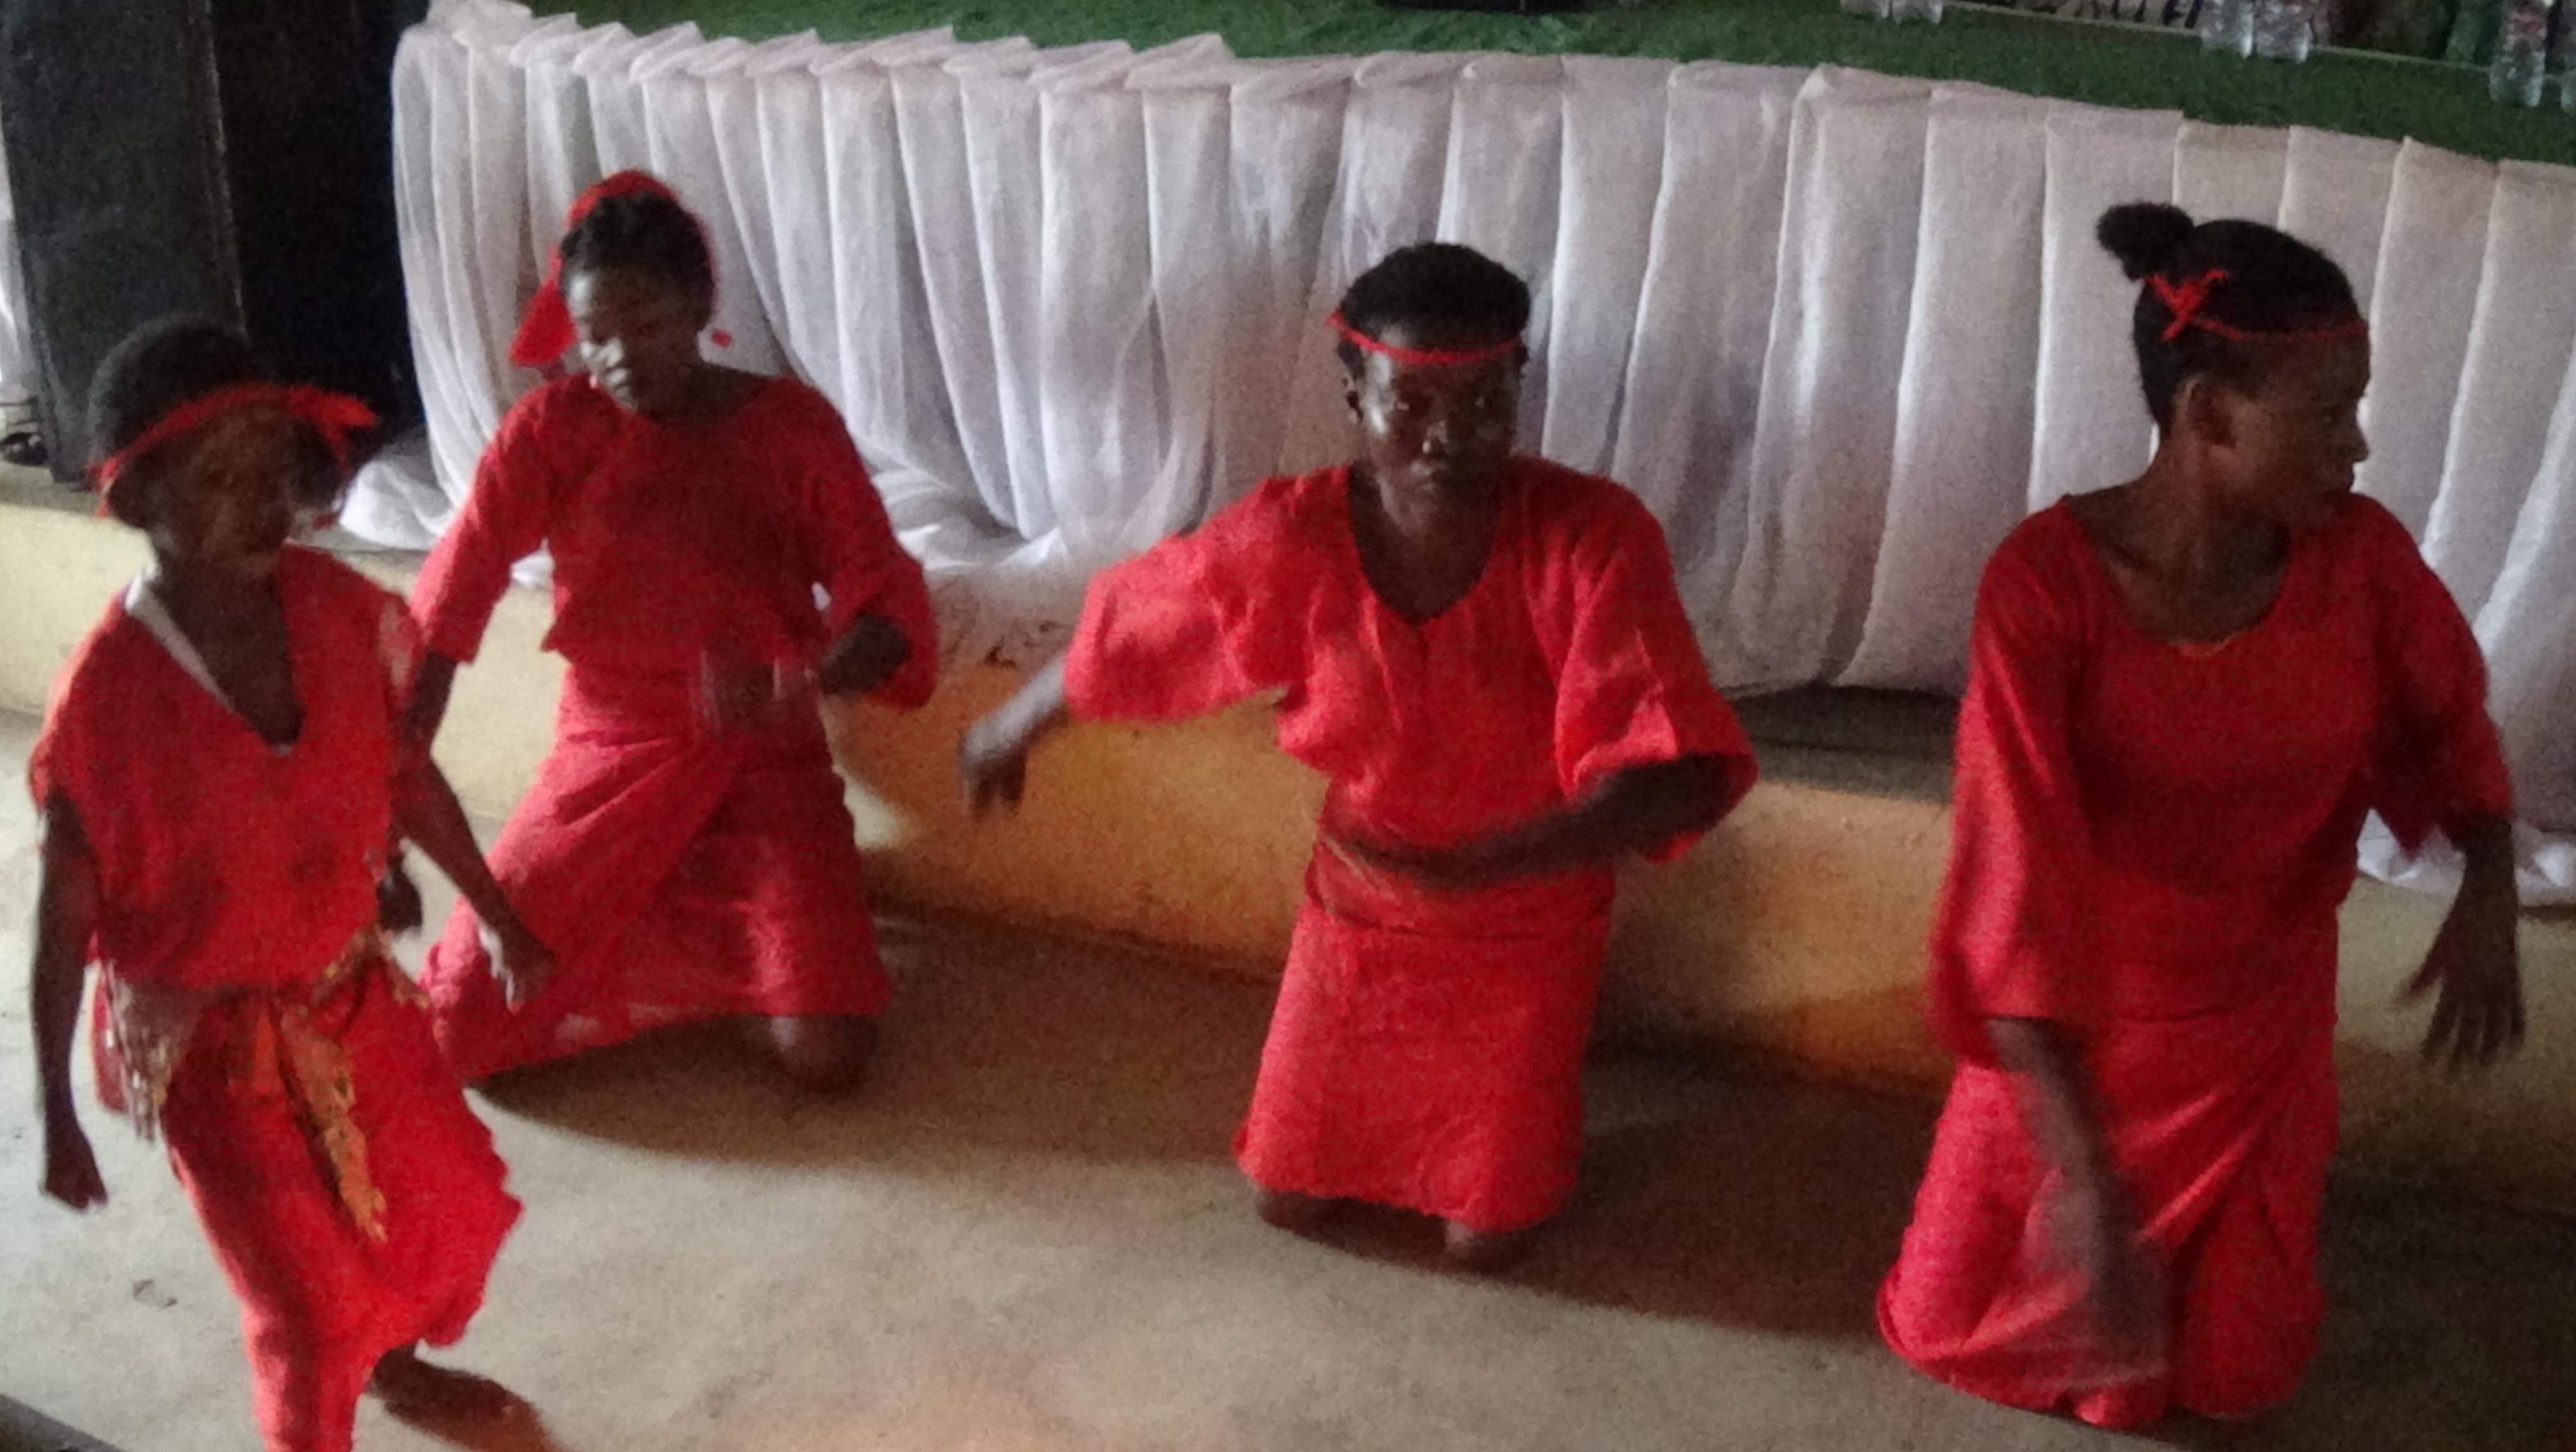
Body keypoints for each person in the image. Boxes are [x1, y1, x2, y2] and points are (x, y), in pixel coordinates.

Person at [960, 243, 1758, 1269]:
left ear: (1519, 391)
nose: (1448, 440)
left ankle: (1539, 1083)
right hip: (1365, 901)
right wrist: (1009, 727)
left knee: (1483, 1242)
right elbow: (1141, 627)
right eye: (1411, 405)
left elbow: (1678, 770)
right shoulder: (1291, 535)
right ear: (1355, 398)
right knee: (1285, 1201)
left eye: (1483, 404)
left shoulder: (1591, 537)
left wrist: (1499, 860)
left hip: (1531, 917)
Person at [1877, 203, 2524, 1428]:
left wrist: (2488, 882)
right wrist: (2083, 1173)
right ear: (2212, 416)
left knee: (2232, 1383)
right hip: (2075, 1036)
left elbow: (2448, 721)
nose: (2359, 447)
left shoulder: (2363, 563)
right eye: (2330, 414)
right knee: (1958, 1335)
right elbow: (2013, 879)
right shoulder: (2044, 590)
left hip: (2260, 1027)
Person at [32, 319, 555, 1452]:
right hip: (214, 1047)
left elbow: (399, 775)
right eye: (221, 477)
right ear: (138, 499)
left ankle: (396, 1366)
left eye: (274, 465)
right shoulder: (108, 698)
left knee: (430, 1212)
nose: (264, 501)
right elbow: (64, 911)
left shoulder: (338, 612)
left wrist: (497, 916)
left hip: (349, 991)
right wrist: (57, 1108)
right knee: (307, 1317)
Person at [407, 171, 937, 1090]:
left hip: (764, 764)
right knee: (455, 1028)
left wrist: (799, 683)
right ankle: (699, 951)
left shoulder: (791, 426)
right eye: (594, 338)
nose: (619, 359)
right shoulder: (548, 432)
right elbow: (453, 595)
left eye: (647, 326)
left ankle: (705, 952)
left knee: (826, 1056)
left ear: (700, 306)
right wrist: (397, 755)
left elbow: (884, 604)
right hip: (606, 757)